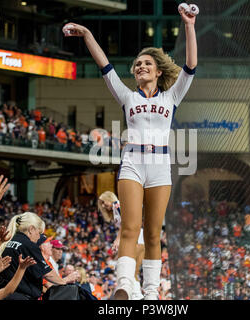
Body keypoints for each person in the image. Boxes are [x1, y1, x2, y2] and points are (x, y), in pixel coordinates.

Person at [63, 3, 197, 300]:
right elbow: (104, 65)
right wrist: (86, 34)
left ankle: (150, 292)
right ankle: (123, 284)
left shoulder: (172, 96)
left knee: (152, 234)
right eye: (137, 64)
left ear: (158, 70)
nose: (140, 67)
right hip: (133, 162)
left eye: (147, 63)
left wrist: (189, 24)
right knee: (130, 227)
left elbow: (190, 66)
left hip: (160, 164)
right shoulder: (126, 95)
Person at [0, 212, 75, 300]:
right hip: (20, 295)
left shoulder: (10, 241)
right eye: (39, 232)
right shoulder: (28, 245)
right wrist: (64, 281)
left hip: (5, 294)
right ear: (31, 229)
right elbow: (47, 274)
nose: (39, 237)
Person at [98, 191, 144, 300]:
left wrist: (118, 240)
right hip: (137, 238)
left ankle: (136, 295)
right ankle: (136, 295)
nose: (104, 206)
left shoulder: (117, 204)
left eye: (104, 203)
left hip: (136, 239)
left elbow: (125, 222)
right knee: (132, 270)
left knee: (128, 268)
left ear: (109, 198)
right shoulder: (115, 208)